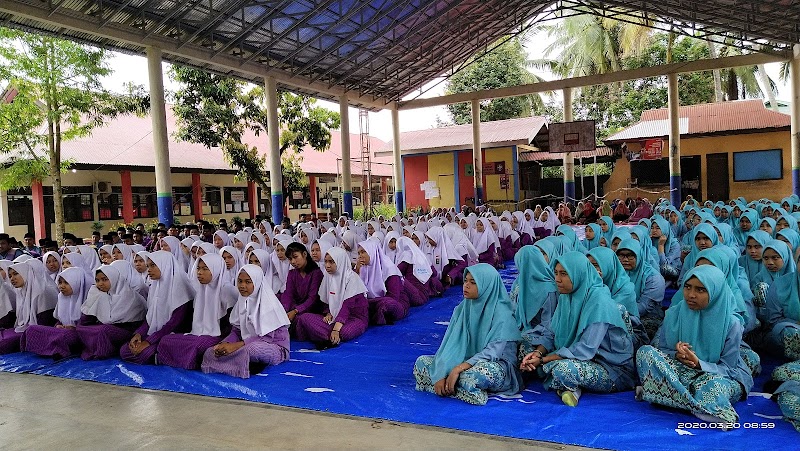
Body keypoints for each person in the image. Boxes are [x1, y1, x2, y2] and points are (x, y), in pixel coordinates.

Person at [636, 266, 753, 428]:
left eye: (700, 290)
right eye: (687, 287)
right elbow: (662, 352)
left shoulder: (731, 323)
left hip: (715, 376)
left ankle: (663, 394)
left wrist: (699, 363)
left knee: (712, 387)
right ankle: (699, 406)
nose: (691, 295)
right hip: (681, 372)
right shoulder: (675, 313)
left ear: (715, 292)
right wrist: (677, 355)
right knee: (645, 353)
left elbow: (730, 369)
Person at [520, 252, 636, 406]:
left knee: (564, 370)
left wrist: (543, 360)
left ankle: (568, 385)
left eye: (564, 274)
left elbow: (584, 349)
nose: (557, 279)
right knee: (525, 348)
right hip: (582, 359)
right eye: (555, 273)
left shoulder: (599, 301)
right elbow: (552, 332)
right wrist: (537, 352)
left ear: (578, 274)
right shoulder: (566, 296)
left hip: (611, 368)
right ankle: (570, 386)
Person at [413, 264, 522, 405]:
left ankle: (453, 387)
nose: (466, 286)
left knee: (476, 375)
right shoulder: (462, 309)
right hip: (464, 361)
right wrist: (442, 371)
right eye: (465, 281)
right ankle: (458, 389)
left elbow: (492, 353)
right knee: (422, 362)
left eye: (473, 282)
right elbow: (450, 343)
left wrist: (458, 369)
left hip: (495, 365)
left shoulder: (503, 313)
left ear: (487, 285)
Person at [201, 265, 290, 378]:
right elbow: (236, 332)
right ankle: (244, 364)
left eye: (248, 282)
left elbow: (266, 338)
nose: (242, 286)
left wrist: (236, 346)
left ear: (257, 283)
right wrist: (225, 344)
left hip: (273, 347)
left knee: (252, 350)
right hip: (244, 345)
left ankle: (241, 362)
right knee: (211, 351)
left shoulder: (270, 305)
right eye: (240, 281)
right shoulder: (241, 302)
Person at [157, 254, 238, 370]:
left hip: (220, 337)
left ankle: (189, 361)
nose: (199, 272)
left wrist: (222, 341)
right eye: (198, 269)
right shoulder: (200, 290)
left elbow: (231, 327)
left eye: (205, 269)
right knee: (166, 340)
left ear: (216, 270)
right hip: (197, 334)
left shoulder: (228, 291)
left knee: (199, 345)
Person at [120, 251, 194, 365]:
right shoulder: (155, 286)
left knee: (146, 353)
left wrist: (148, 341)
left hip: (172, 335)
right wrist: (138, 334)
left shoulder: (180, 288)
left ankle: (159, 353)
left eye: (153, 265)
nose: (149, 269)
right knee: (125, 350)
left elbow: (174, 324)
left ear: (165, 265)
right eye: (148, 266)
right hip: (155, 333)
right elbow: (150, 316)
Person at [294, 247, 369, 349]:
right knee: (304, 318)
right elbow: (327, 301)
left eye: (332, 262)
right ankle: (330, 338)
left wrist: (336, 330)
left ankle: (327, 336)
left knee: (345, 332)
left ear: (340, 261)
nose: (327, 266)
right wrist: (328, 313)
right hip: (334, 316)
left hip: (354, 318)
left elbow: (347, 306)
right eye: (325, 262)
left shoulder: (352, 278)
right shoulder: (328, 276)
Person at [76, 265, 146, 360]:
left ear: (114, 279)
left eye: (104, 279)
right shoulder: (100, 294)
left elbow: (135, 323)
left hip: (127, 331)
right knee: (81, 327)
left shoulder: (130, 296)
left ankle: (103, 351)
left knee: (103, 330)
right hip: (106, 326)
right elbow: (87, 318)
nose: (100, 284)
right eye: (97, 280)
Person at [23, 267, 91, 358]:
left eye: (66, 283)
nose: (61, 286)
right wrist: (58, 325)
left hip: (80, 335)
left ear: (77, 282)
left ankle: (55, 350)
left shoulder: (87, 299)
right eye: (60, 282)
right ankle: (52, 350)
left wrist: (74, 328)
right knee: (31, 329)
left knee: (62, 336)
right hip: (62, 331)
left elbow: (90, 325)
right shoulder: (61, 297)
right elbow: (59, 319)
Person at [0, 260, 58, 354]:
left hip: (41, 331)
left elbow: (44, 322)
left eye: (15, 274)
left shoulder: (42, 292)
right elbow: (21, 322)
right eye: (10, 276)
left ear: (26, 273)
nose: (12, 278)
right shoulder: (21, 292)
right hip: (26, 330)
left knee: (3, 343)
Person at [616, 239, 665, 338]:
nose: (625, 259)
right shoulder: (616, 273)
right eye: (621, 255)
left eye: (630, 255)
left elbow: (644, 308)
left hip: (648, 317)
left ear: (639, 256)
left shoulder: (653, 277)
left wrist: (615, 311)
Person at [356, 239, 405, 325]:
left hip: (392, 302)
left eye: (363, 252)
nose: (360, 256)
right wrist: (357, 271)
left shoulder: (389, 270)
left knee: (387, 305)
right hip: (372, 303)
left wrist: (367, 302)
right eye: (359, 253)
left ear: (372, 252)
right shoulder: (362, 268)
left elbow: (393, 297)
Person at [280, 242, 324, 327]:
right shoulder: (292, 273)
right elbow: (289, 293)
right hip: (295, 307)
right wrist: (284, 310)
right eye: (290, 259)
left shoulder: (316, 273)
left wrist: (296, 311)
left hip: (311, 309)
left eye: (295, 257)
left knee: (303, 319)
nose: (293, 261)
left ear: (304, 254)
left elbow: (313, 298)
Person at [395, 237, 434, 307]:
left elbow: (397, 272)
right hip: (426, 296)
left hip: (416, 296)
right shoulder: (421, 255)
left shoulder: (407, 255)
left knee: (396, 278)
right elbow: (434, 273)